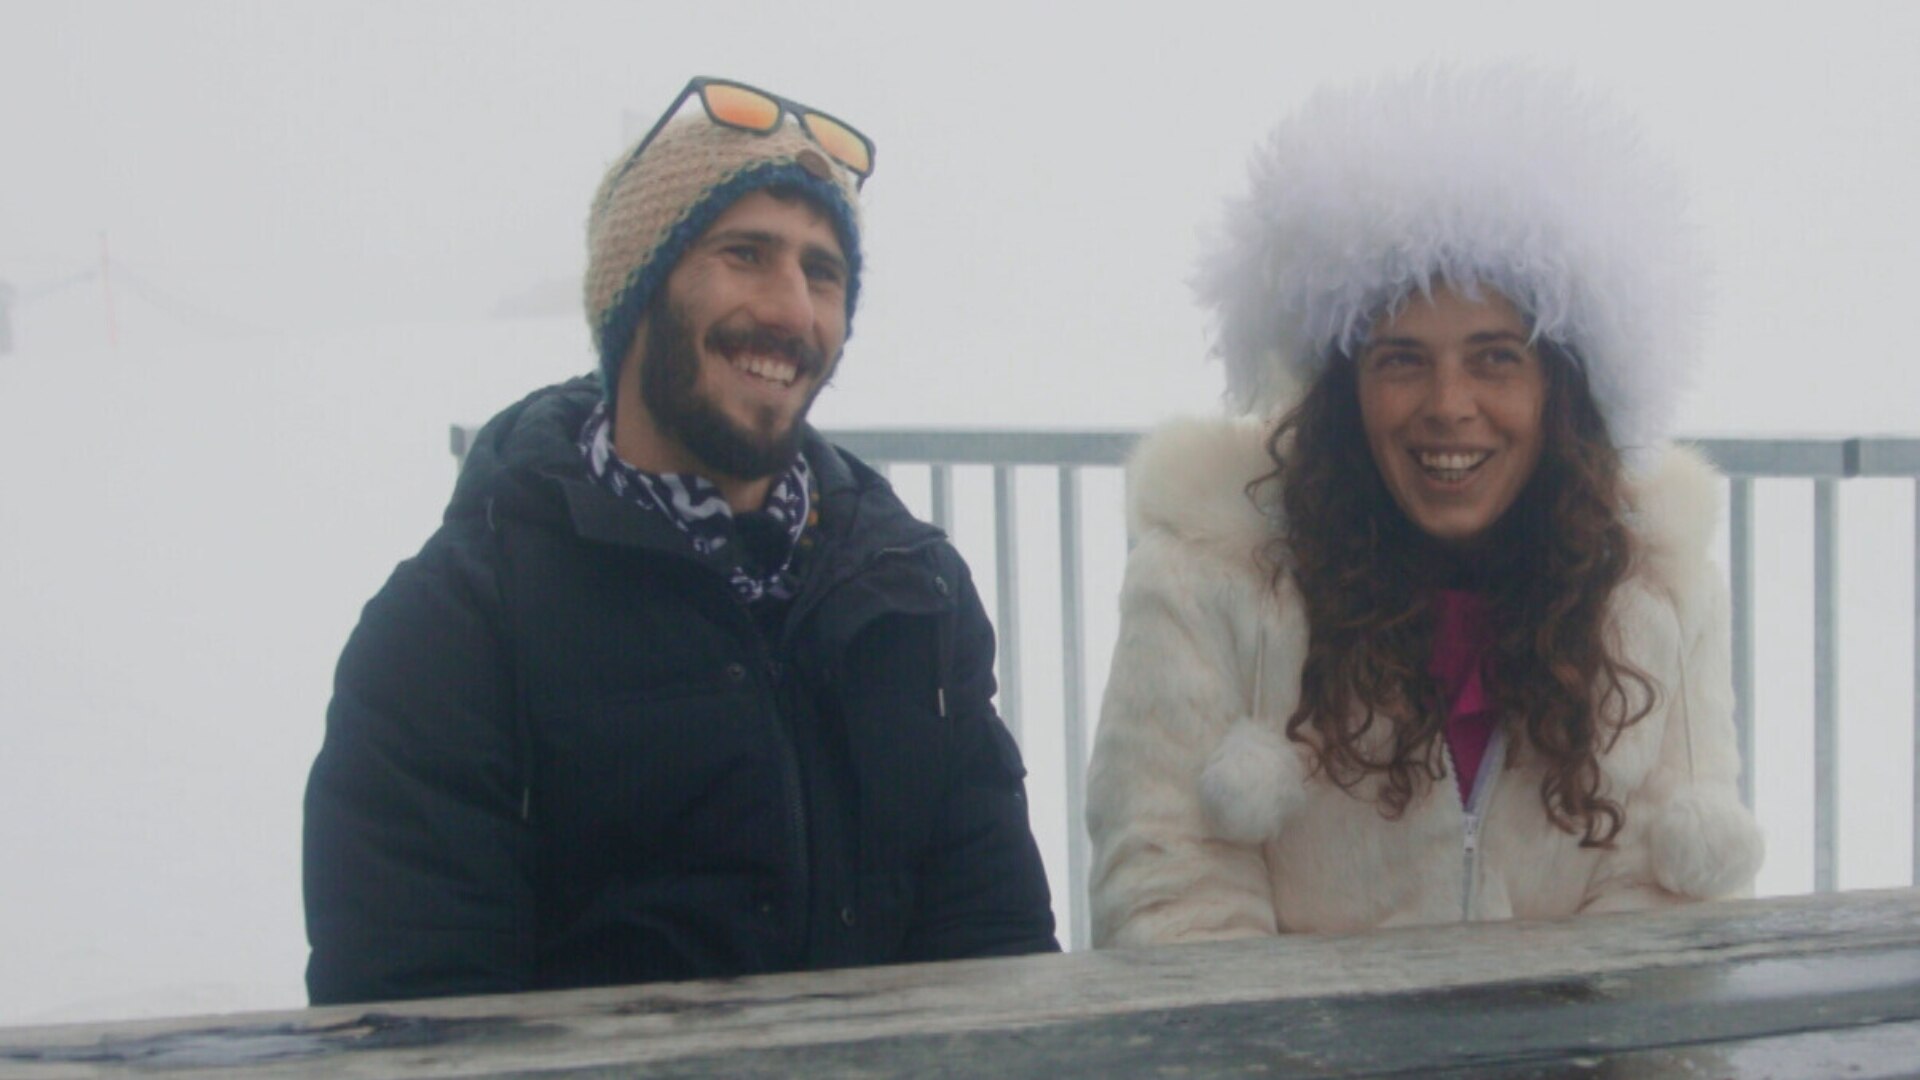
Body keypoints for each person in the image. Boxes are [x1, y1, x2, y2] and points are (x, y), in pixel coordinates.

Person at [304, 76, 1057, 1004]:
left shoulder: (913, 594)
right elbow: (415, 1021)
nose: (792, 311)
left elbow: (1001, 960)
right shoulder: (457, 628)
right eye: (746, 254)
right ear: (635, 296)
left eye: (823, 273)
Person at [1087, 67, 1764, 946]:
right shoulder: (1206, 575)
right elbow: (1171, 905)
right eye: (1401, 359)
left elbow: (1671, 928)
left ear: (1561, 389)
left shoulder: (1654, 594)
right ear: (1342, 392)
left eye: (1495, 359)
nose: (1448, 404)